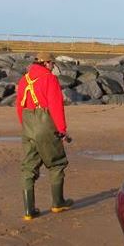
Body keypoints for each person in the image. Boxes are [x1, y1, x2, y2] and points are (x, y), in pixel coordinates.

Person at [15, 52, 73, 220]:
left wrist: (26, 126)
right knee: (56, 163)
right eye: (53, 64)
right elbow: (56, 106)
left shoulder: (24, 79)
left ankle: (29, 211)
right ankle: (58, 203)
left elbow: (20, 107)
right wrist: (62, 130)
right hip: (45, 125)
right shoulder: (49, 79)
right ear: (46, 63)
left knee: (28, 168)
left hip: (28, 125)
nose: (53, 67)